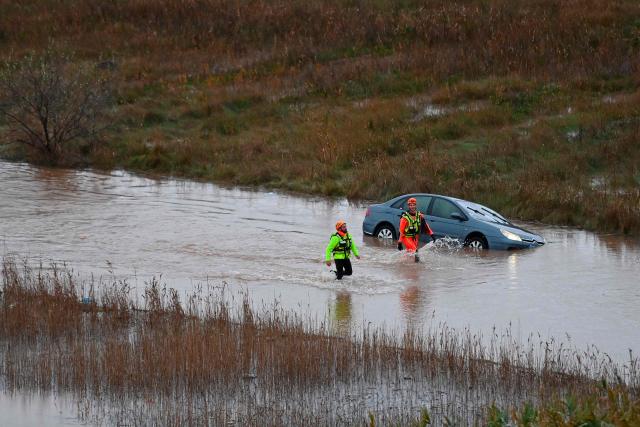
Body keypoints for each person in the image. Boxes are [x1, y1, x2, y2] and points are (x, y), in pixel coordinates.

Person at [397, 197, 435, 262]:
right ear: (408, 206)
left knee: (411, 252)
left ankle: (402, 262)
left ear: (415, 205)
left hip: (415, 237)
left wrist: (432, 234)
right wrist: (400, 242)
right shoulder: (404, 217)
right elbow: (401, 230)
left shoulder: (420, 215)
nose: (412, 206)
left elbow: (426, 225)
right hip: (406, 237)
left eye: (413, 205)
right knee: (415, 251)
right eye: (410, 205)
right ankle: (417, 268)